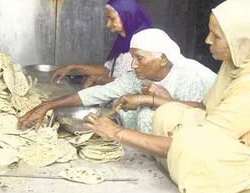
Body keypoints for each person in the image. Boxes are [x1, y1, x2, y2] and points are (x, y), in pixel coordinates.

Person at [83, 0, 250, 193]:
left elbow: (202, 142)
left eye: (216, 36)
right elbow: (205, 110)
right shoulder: (238, 63)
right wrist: (149, 100)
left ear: (243, 41)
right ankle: (191, 180)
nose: (207, 40)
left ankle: (205, 191)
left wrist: (118, 133)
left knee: (193, 145)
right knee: (169, 113)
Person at [18, 28, 216, 134]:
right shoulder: (135, 79)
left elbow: (202, 114)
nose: (134, 65)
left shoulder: (189, 78)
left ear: (162, 58)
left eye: (140, 58)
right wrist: (48, 105)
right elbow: (94, 94)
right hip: (140, 156)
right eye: (132, 58)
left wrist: (147, 100)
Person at [51, 0, 152, 87]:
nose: (108, 24)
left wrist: (100, 79)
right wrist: (72, 67)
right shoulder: (123, 40)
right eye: (107, 18)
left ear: (128, 17)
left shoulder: (145, 44)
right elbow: (107, 69)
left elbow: (136, 84)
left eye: (112, 19)